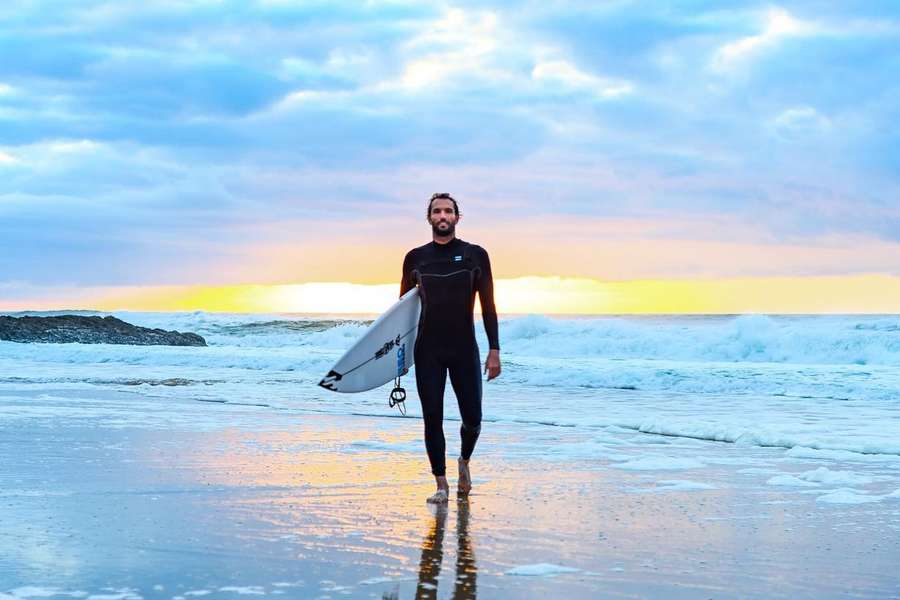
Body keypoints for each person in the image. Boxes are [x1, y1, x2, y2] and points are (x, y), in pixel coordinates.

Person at [400, 193, 501, 504]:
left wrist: (494, 349)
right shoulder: (415, 258)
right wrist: (398, 357)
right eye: (436, 211)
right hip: (427, 350)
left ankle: (464, 462)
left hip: (464, 350)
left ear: (457, 217)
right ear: (429, 218)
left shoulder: (475, 255)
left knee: (473, 418)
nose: (442, 216)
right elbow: (403, 311)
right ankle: (441, 484)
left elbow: (488, 305)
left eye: (448, 211)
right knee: (432, 416)